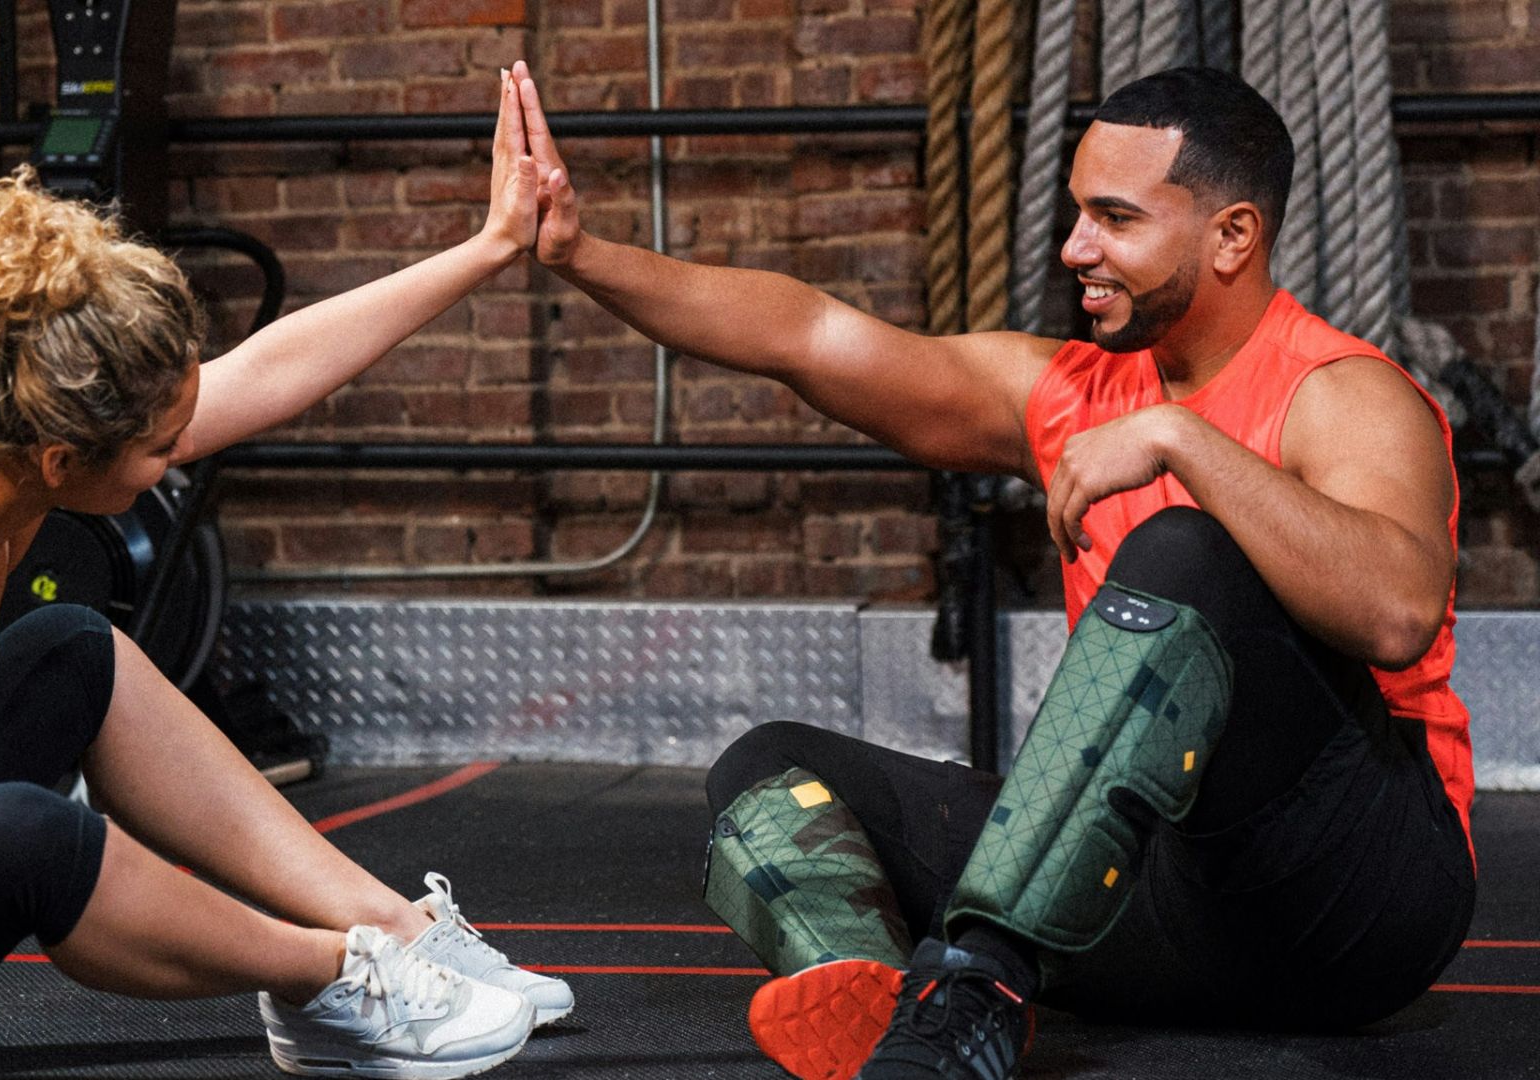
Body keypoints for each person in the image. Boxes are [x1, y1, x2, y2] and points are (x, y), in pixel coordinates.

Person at [509, 59, 1474, 1080]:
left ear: (1232, 235)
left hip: (1355, 902)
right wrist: (581, 253)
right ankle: (877, 988)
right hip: (1153, 906)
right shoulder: (1068, 394)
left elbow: (1398, 611)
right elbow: (808, 334)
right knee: (770, 771)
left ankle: (973, 990)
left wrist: (1184, 442)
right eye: (1076, 215)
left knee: (1185, 551)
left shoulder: (1347, 394)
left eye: (1115, 220)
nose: (1075, 249)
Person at [0, 70, 573, 1080]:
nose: (179, 459)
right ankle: (330, 975)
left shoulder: (11, 453)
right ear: (66, 461)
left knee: (76, 648)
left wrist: (490, 248)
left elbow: (268, 373)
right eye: (162, 450)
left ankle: (395, 932)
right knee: (21, 834)